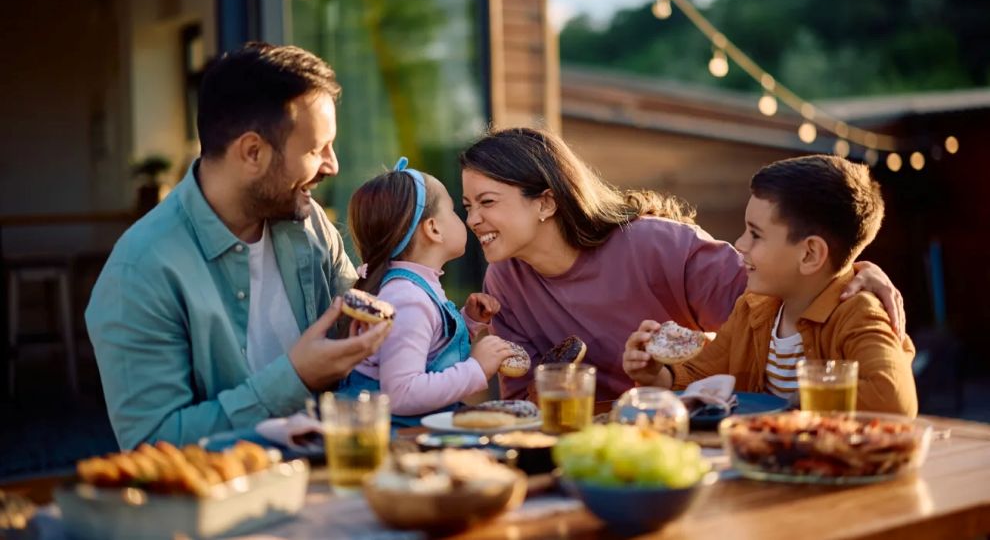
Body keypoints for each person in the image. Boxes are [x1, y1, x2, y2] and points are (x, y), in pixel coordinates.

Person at [86, 43, 391, 449]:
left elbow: (358, 334)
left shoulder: (309, 224)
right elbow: (152, 443)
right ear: (252, 152)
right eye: (317, 149)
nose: (332, 165)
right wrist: (296, 378)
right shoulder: (139, 273)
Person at [459, 127, 907, 401]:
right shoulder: (504, 281)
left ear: (546, 203)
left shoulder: (658, 246)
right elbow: (522, 401)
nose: (473, 218)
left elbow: (779, 289)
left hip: (687, 438)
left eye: (487, 202)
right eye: (466, 204)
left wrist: (855, 273)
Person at [623, 155, 917, 415]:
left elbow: (893, 398)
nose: (739, 243)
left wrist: (796, 402)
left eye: (756, 234)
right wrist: (657, 375)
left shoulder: (858, 312)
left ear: (810, 253)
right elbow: (702, 372)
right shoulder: (753, 309)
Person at [336, 158, 517, 425]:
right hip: (394, 439)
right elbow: (401, 394)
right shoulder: (407, 298)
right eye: (455, 210)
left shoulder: (415, 289)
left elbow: (428, 353)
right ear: (433, 229)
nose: (466, 220)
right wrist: (476, 369)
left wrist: (468, 322)